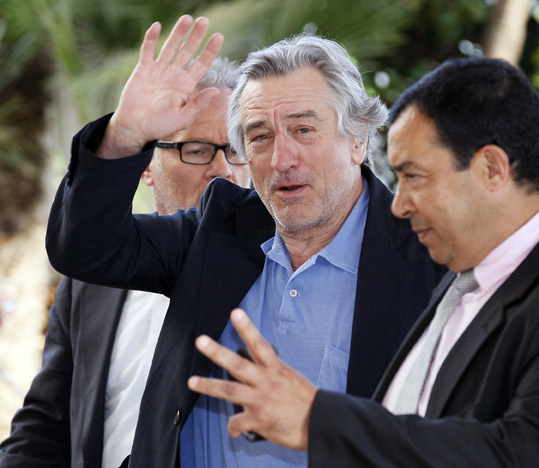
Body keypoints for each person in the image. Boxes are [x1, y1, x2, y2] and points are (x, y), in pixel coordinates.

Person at [42, 15, 444, 468]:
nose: (281, 159)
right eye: (259, 137)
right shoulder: (217, 229)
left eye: (303, 129)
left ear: (357, 139)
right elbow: (84, 246)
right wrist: (126, 135)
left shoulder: (431, 260)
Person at [189, 56, 539, 467]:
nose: (399, 205)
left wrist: (318, 420)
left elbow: (533, 454)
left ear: (491, 169)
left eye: (415, 177)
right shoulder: (461, 277)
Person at [0, 57, 250, 468]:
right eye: (198, 150)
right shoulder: (91, 278)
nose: (222, 169)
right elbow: (46, 423)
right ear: (146, 167)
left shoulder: (277, 272)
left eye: (238, 150)